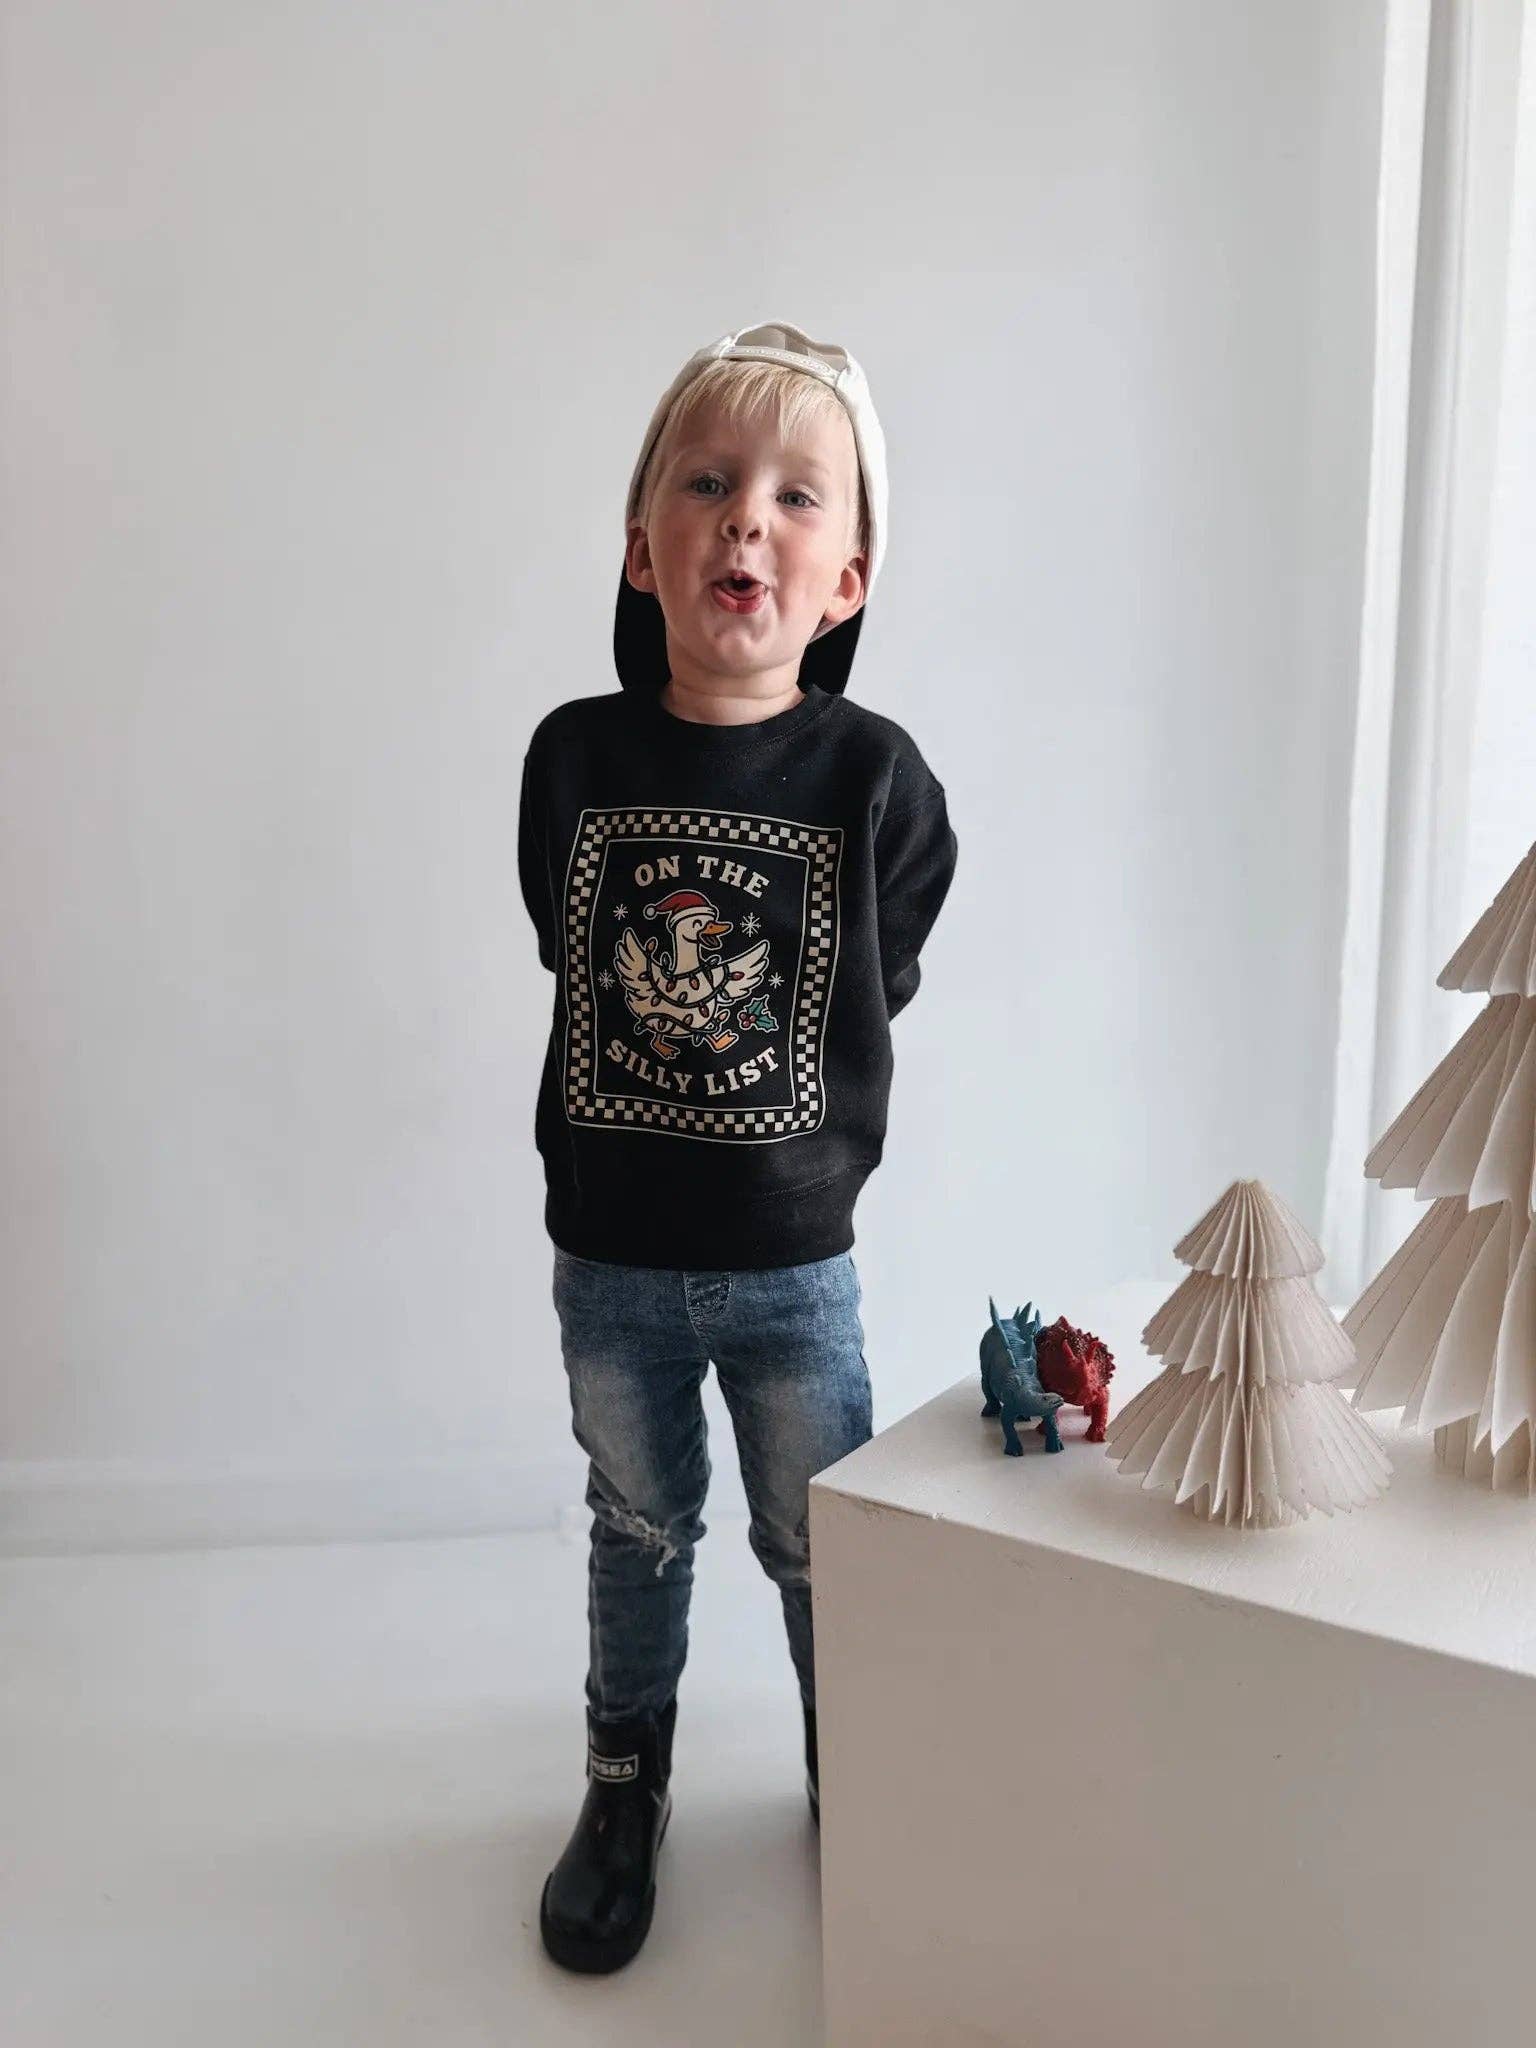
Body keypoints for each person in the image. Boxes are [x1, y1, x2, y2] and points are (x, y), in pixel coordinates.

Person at [518, 321, 958, 1973]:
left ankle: (868, 1780)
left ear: (845, 577)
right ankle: (625, 1784)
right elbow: (571, 947)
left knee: (812, 1540)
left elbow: (879, 964)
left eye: (794, 495)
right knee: (637, 1525)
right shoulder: (577, 760)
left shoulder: (872, 778)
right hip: (612, 1258)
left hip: (794, 1273)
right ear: (644, 547)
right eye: (705, 485)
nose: (745, 520)